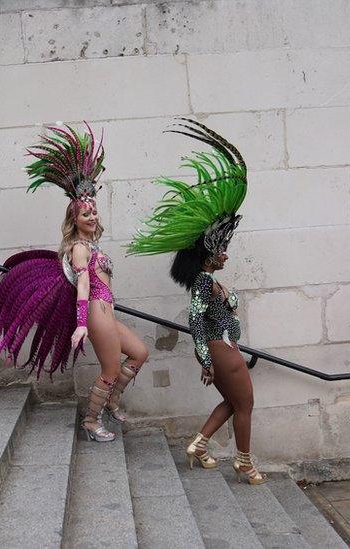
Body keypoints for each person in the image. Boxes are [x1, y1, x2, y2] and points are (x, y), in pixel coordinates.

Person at [0, 124, 148, 442]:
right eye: (85, 213)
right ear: (74, 218)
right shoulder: (79, 248)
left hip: (107, 311)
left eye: (94, 211)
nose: (92, 216)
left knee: (139, 352)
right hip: (96, 313)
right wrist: (82, 323)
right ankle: (91, 421)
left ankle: (112, 401)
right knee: (110, 371)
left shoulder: (94, 245)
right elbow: (83, 284)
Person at [128, 119, 264, 484]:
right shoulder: (204, 285)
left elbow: (222, 308)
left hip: (223, 346)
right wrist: (206, 361)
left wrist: (227, 299)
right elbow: (195, 321)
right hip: (221, 349)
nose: (226, 255)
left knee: (235, 403)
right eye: (222, 250)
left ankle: (200, 446)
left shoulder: (210, 281)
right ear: (208, 256)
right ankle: (245, 462)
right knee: (246, 405)